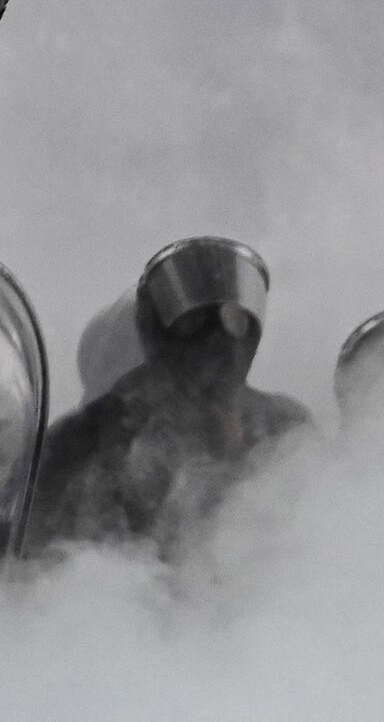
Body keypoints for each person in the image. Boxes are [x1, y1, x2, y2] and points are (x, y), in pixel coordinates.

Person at [28, 237, 311, 557]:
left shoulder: (285, 430)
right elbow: (31, 554)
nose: (215, 341)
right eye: (192, 324)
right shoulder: (86, 440)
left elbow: (328, 535)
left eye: (233, 320)